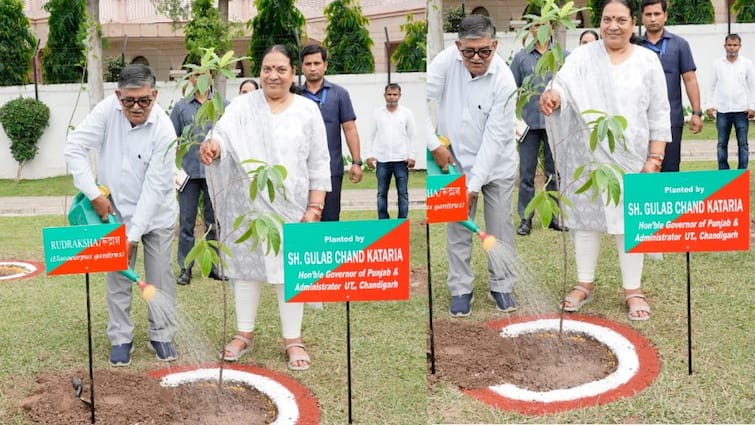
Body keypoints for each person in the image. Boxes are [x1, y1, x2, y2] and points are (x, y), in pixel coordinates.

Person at [198, 45, 330, 370]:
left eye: (280, 69)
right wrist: (213, 144)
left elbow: (320, 161)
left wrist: (315, 207)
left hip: (292, 206)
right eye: (267, 68)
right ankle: (244, 333)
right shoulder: (244, 106)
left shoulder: (306, 110)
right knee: (246, 269)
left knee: (289, 272)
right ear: (259, 72)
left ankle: (293, 339)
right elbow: (223, 134)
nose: (273, 75)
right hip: (247, 203)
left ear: (292, 73)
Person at [540, 0, 671, 321]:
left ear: (633, 22)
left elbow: (659, 112)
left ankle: (633, 289)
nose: (613, 26)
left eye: (621, 20)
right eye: (607, 19)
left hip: (632, 158)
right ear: (600, 22)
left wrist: (655, 158)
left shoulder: (647, 61)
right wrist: (552, 96)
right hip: (586, 156)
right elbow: (562, 84)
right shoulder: (584, 57)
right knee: (586, 220)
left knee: (629, 224)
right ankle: (584, 283)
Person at [64, 64, 179, 365]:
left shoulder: (165, 129)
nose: (137, 107)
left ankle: (162, 335)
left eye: (144, 100)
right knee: (117, 277)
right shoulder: (106, 112)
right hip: (113, 211)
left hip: (157, 215)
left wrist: (133, 234)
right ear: (118, 96)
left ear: (154, 95)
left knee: (160, 277)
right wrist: (94, 195)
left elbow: (154, 190)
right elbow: (74, 148)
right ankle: (120, 338)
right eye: (129, 101)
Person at [426, 14, 519, 316]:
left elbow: (495, 139)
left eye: (484, 51)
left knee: (500, 228)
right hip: (454, 164)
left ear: (495, 45)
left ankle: (502, 286)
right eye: (469, 52)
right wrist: (435, 146)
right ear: (458, 47)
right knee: (457, 230)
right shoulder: (442, 64)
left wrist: (474, 186)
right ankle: (461, 288)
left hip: (498, 166)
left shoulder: (505, 80)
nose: (477, 58)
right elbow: (419, 104)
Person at [510, 8, 567, 236]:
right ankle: (525, 218)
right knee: (527, 173)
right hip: (529, 125)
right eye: (535, 24)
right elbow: (512, 89)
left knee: (555, 172)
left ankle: (554, 216)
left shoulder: (562, 56)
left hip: (555, 122)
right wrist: (514, 120)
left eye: (545, 24)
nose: (540, 29)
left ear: (551, 27)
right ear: (529, 28)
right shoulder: (521, 58)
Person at [171, 70, 229, 286]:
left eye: (204, 74)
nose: (199, 78)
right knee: (186, 221)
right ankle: (185, 268)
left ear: (211, 76)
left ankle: (214, 266)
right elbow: (171, 138)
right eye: (195, 74)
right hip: (188, 174)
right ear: (190, 78)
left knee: (214, 221)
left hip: (215, 173)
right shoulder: (181, 107)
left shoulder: (222, 105)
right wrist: (174, 170)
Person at [300, 44, 363, 221]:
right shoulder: (295, 95)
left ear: (325, 65)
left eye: (317, 63)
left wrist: (356, 162)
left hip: (331, 169)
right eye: (308, 64)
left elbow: (349, 128)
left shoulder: (340, 94)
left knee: (330, 219)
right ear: (301, 67)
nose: (313, 68)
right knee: (301, 220)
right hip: (300, 170)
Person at [640, 0, 703, 172]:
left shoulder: (679, 44)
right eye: (648, 14)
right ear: (642, 18)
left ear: (665, 16)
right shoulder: (635, 46)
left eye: (657, 14)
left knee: (670, 169)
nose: (653, 19)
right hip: (639, 121)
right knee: (640, 170)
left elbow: (690, 79)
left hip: (671, 120)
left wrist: (696, 113)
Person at [364, 83, 418, 219]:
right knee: (382, 193)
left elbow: (413, 136)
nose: (392, 97)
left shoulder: (406, 113)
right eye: (389, 94)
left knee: (403, 193)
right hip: (383, 160)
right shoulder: (377, 114)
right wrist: (368, 155)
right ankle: (384, 222)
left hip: (401, 161)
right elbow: (370, 136)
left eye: (395, 95)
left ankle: (402, 222)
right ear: (384, 95)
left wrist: (412, 156)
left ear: (400, 96)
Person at [705, 33, 755, 170]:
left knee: (743, 144)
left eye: (735, 45)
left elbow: (753, 86)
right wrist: (709, 106)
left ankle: (742, 172)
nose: (732, 48)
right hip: (723, 111)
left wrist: (752, 106)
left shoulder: (747, 64)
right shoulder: (717, 64)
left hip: (741, 111)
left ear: (740, 46)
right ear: (724, 46)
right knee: (721, 143)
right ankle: (723, 173)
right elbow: (711, 86)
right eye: (729, 45)